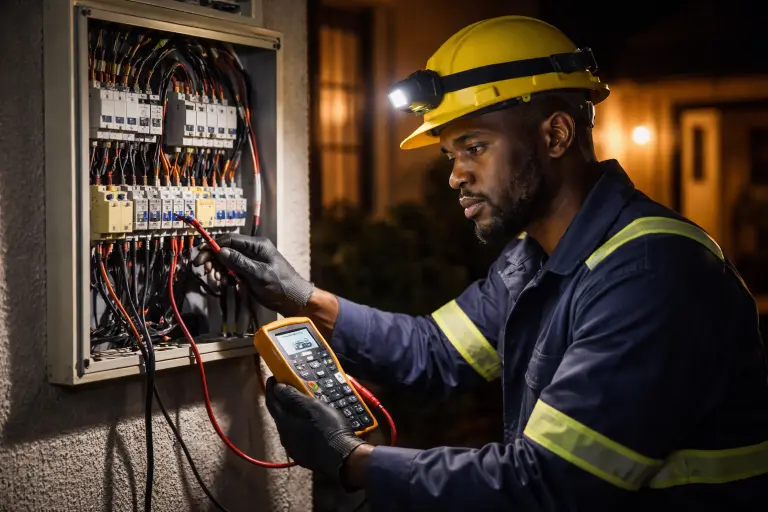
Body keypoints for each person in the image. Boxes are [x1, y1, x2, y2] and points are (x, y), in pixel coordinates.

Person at [195, 15, 768, 511]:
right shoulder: (535, 258)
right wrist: (306, 299)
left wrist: (357, 463)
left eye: (475, 146)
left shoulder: (651, 275)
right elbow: (434, 350)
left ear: (557, 134)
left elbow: (547, 484)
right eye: (450, 154)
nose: (455, 175)